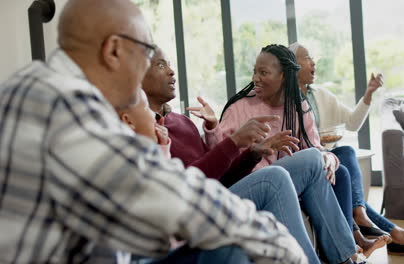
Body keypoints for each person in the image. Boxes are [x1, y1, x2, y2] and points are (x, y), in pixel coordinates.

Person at [0, 0, 308, 262]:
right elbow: (162, 191)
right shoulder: (63, 105)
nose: (159, 69)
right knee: (227, 242)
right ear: (114, 50)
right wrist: (278, 244)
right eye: (148, 54)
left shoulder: (32, 87)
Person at [141, 46, 369, 264]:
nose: (172, 71)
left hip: (221, 192)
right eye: (161, 65)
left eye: (264, 72)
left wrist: (252, 152)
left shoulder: (182, 122)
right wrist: (236, 143)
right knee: (276, 177)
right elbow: (189, 184)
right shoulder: (142, 129)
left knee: (320, 161)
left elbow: (217, 170)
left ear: (283, 77)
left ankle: (346, 258)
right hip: (209, 202)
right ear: (137, 75)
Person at [289, 42, 404, 255]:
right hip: (311, 161)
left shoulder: (320, 95)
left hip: (328, 157)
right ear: (292, 65)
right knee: (345, 155)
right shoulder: (286, 100)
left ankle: (364, 218)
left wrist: (369, 93)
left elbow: (351, 123)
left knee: (346, 153)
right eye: (307, 58)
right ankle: (389, 231)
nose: (313, 62)